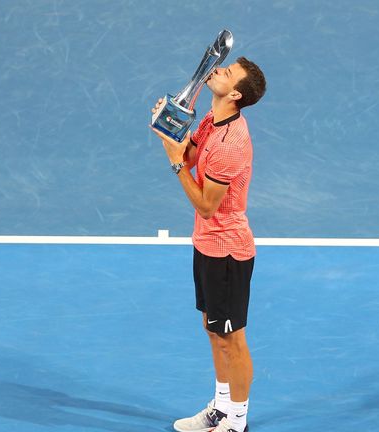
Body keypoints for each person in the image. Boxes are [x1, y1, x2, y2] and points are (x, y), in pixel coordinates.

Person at [150, 56, 267, 432]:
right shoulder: (213, 120)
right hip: (207, 244)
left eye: (227, 73)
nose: (218, 70)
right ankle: (220, 407)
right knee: (213, 329)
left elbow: (205, 202)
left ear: (234, 94)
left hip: (229, 251)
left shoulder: (232, 143)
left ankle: (237, 421)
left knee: (232, 337)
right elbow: (191, 153)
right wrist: (169, 128)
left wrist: (175, 164)